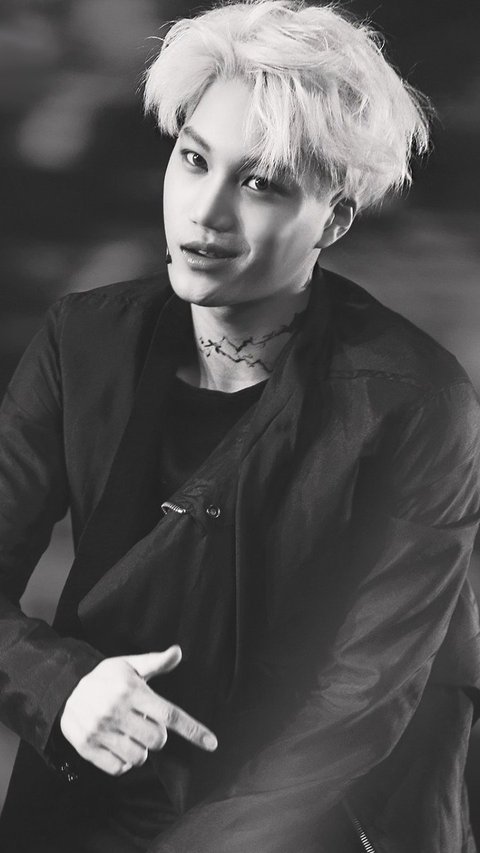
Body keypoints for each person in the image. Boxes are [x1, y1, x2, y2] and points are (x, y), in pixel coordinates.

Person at [0, 1, 479, 851]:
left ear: (334, 219)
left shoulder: (417, 402)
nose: (205, 212)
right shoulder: (83, 340)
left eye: (261, 183)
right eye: (193, 160)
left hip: (313, 820)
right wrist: (58, 681)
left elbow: (361, 700)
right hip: (93, 786)